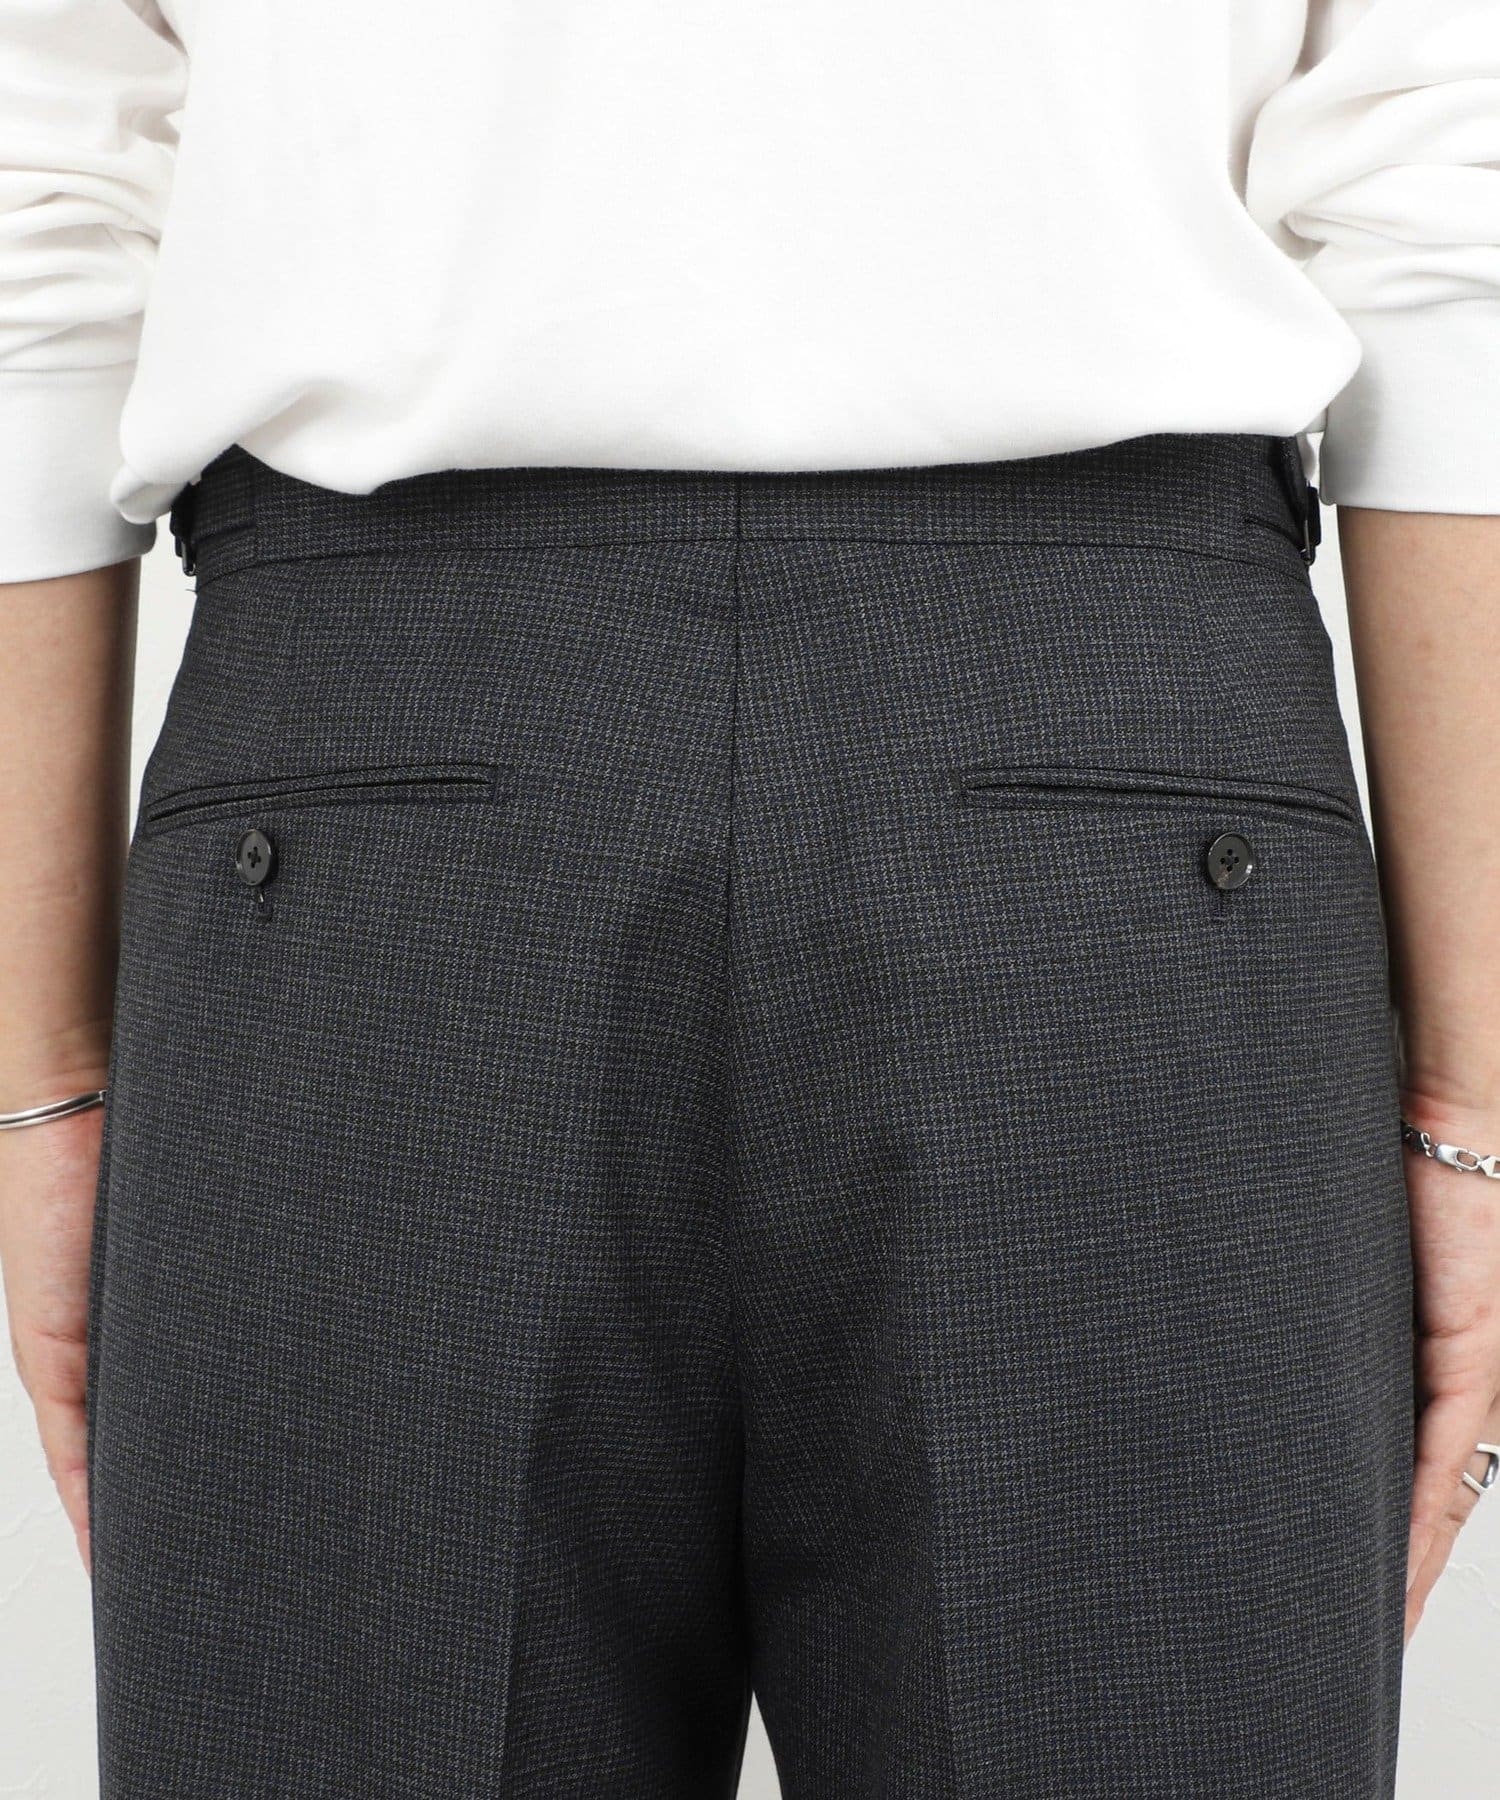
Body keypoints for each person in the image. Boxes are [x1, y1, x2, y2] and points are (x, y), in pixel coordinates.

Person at [1, 1, 1497, 1794]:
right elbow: (1442, 179)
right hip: (1109, 807)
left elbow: (43, 180)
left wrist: (41, 1074)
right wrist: (1473, 1099)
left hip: (380, 808)